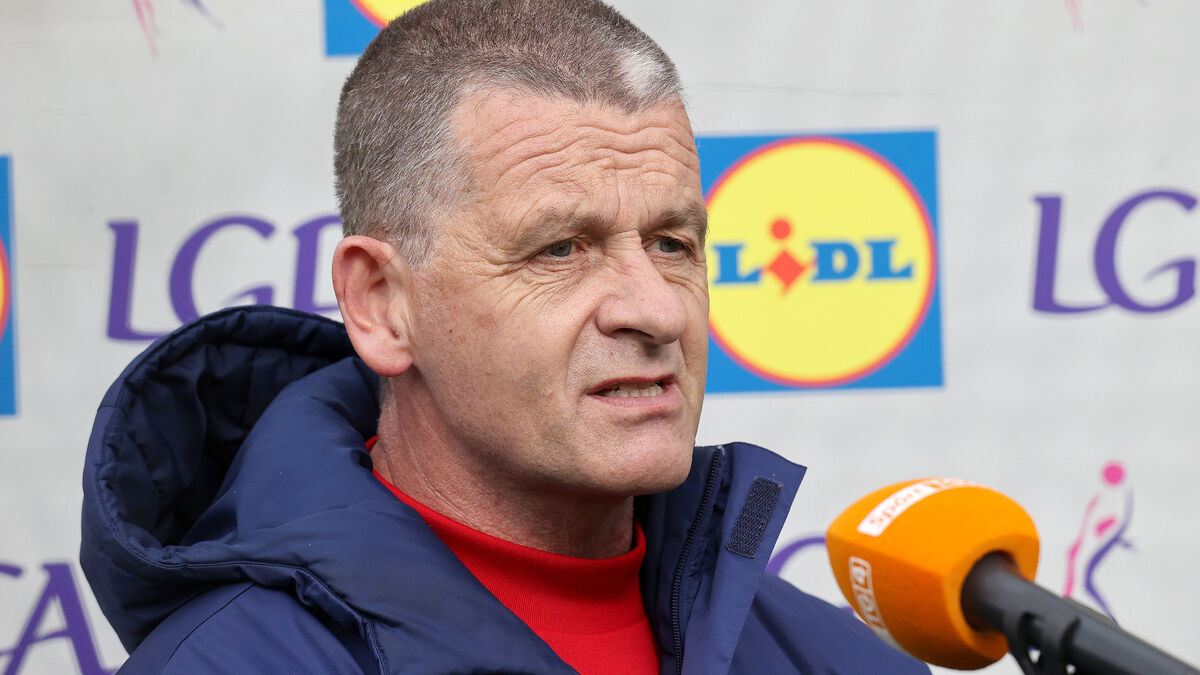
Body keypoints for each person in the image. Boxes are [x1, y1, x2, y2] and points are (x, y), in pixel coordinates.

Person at [80, 1, 931, 672]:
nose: (658, 311)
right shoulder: (229, 662)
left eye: (673, 244)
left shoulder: (834, 657)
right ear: (380, 304)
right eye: (561, 248)